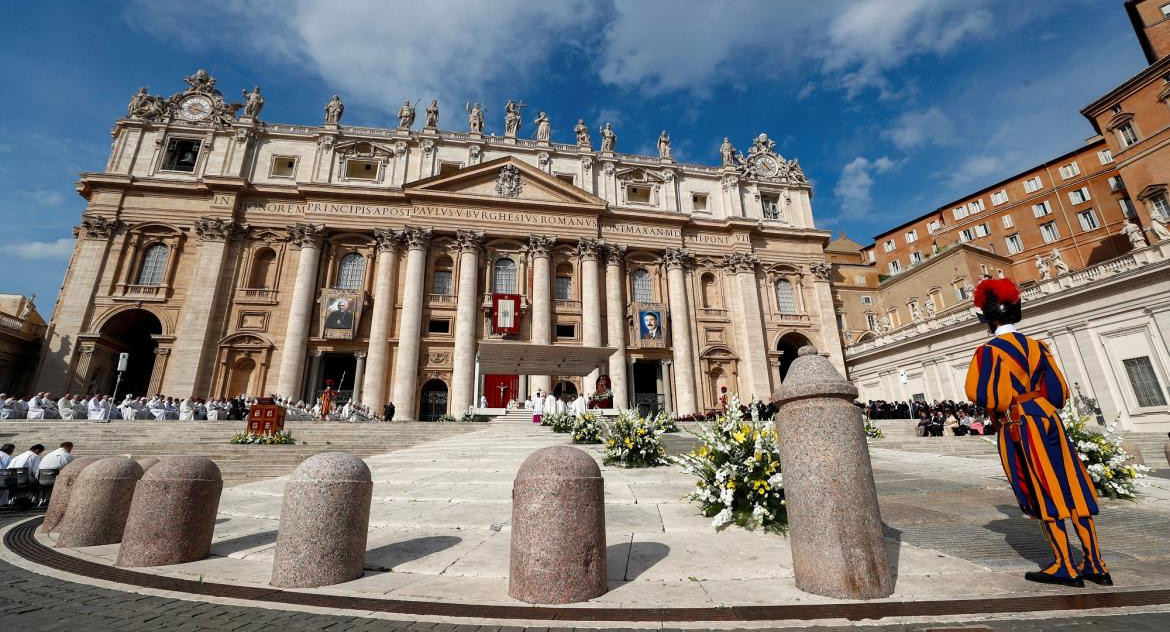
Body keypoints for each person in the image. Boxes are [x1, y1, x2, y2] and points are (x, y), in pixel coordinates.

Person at [965, 278, 1110, 588]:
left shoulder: (989, 352)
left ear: (990, 320)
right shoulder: (1038, 346)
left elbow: (987, 396)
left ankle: (1064, 565)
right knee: (1073, 484)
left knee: (1043, 487)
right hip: (1049, 418)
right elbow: (1059, 392)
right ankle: (1095, 563)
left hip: (1021, 425)